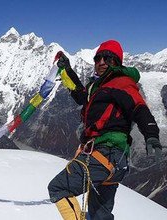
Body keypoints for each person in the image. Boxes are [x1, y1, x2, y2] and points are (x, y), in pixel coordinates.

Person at [48, 40, 163, 220]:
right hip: (116, 162)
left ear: (116, 62)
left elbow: (138, 106)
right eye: (98, 58)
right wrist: (67, 70)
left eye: (108, 58)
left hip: (104, 153)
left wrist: (151, 134)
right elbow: (81, 95)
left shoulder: (121, 82)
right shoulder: (99, 86)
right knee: (99, 215)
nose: (101, 62)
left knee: (59, 187)